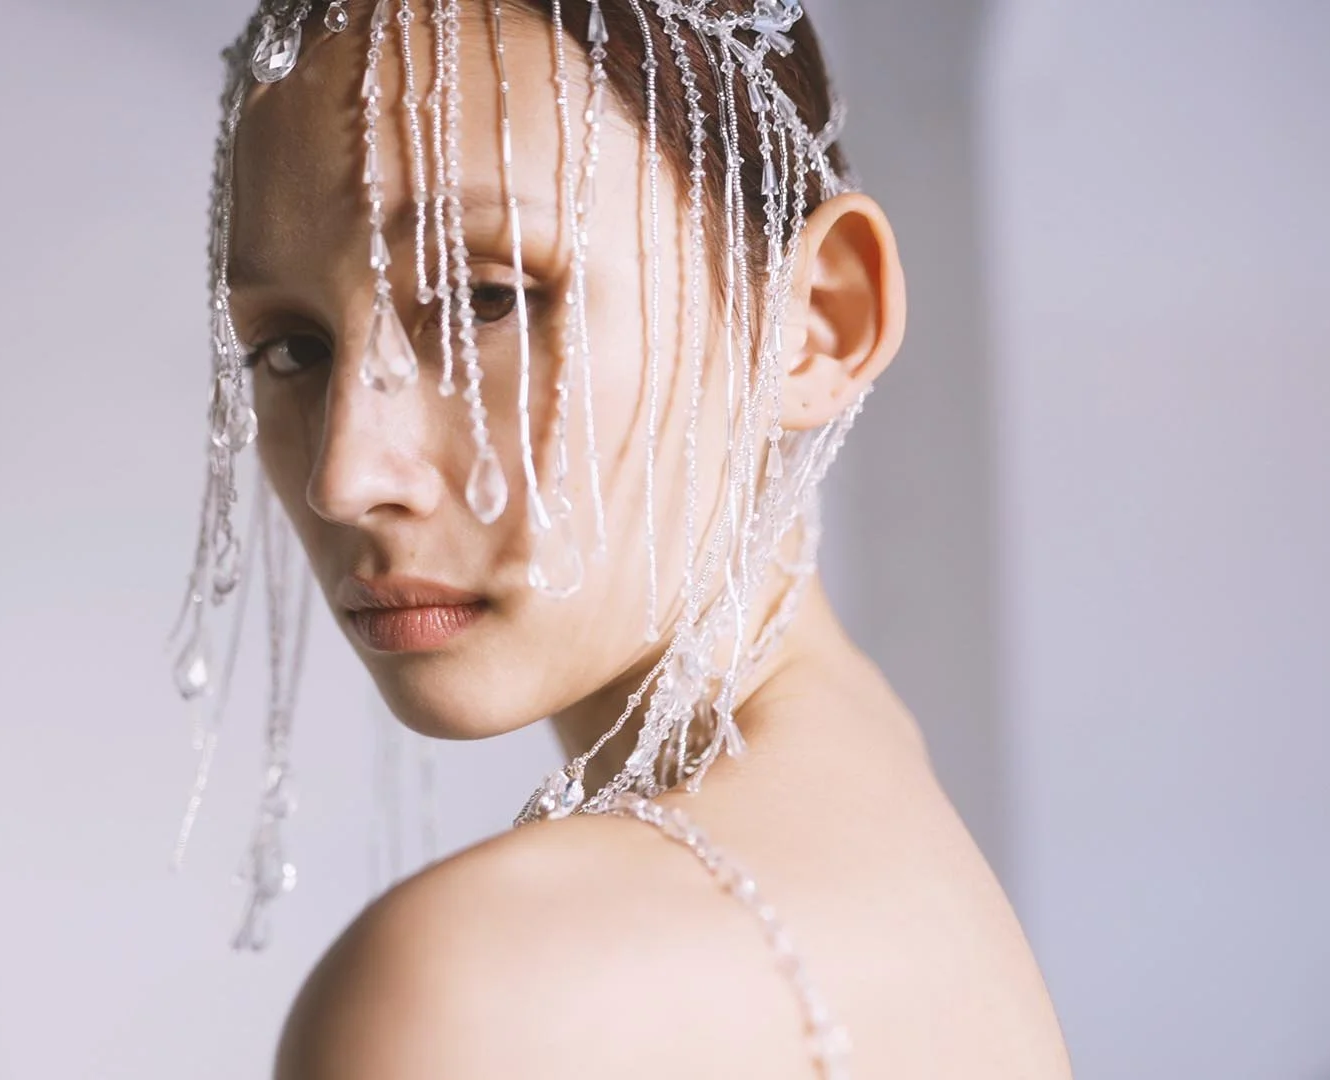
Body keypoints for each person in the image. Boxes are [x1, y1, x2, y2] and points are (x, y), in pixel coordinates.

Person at [169, 1, 1075, 1075]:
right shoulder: (892, 827)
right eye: (288, 349)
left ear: (817, 318)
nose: (344, 476)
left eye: (486, 302)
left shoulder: (480, 990)